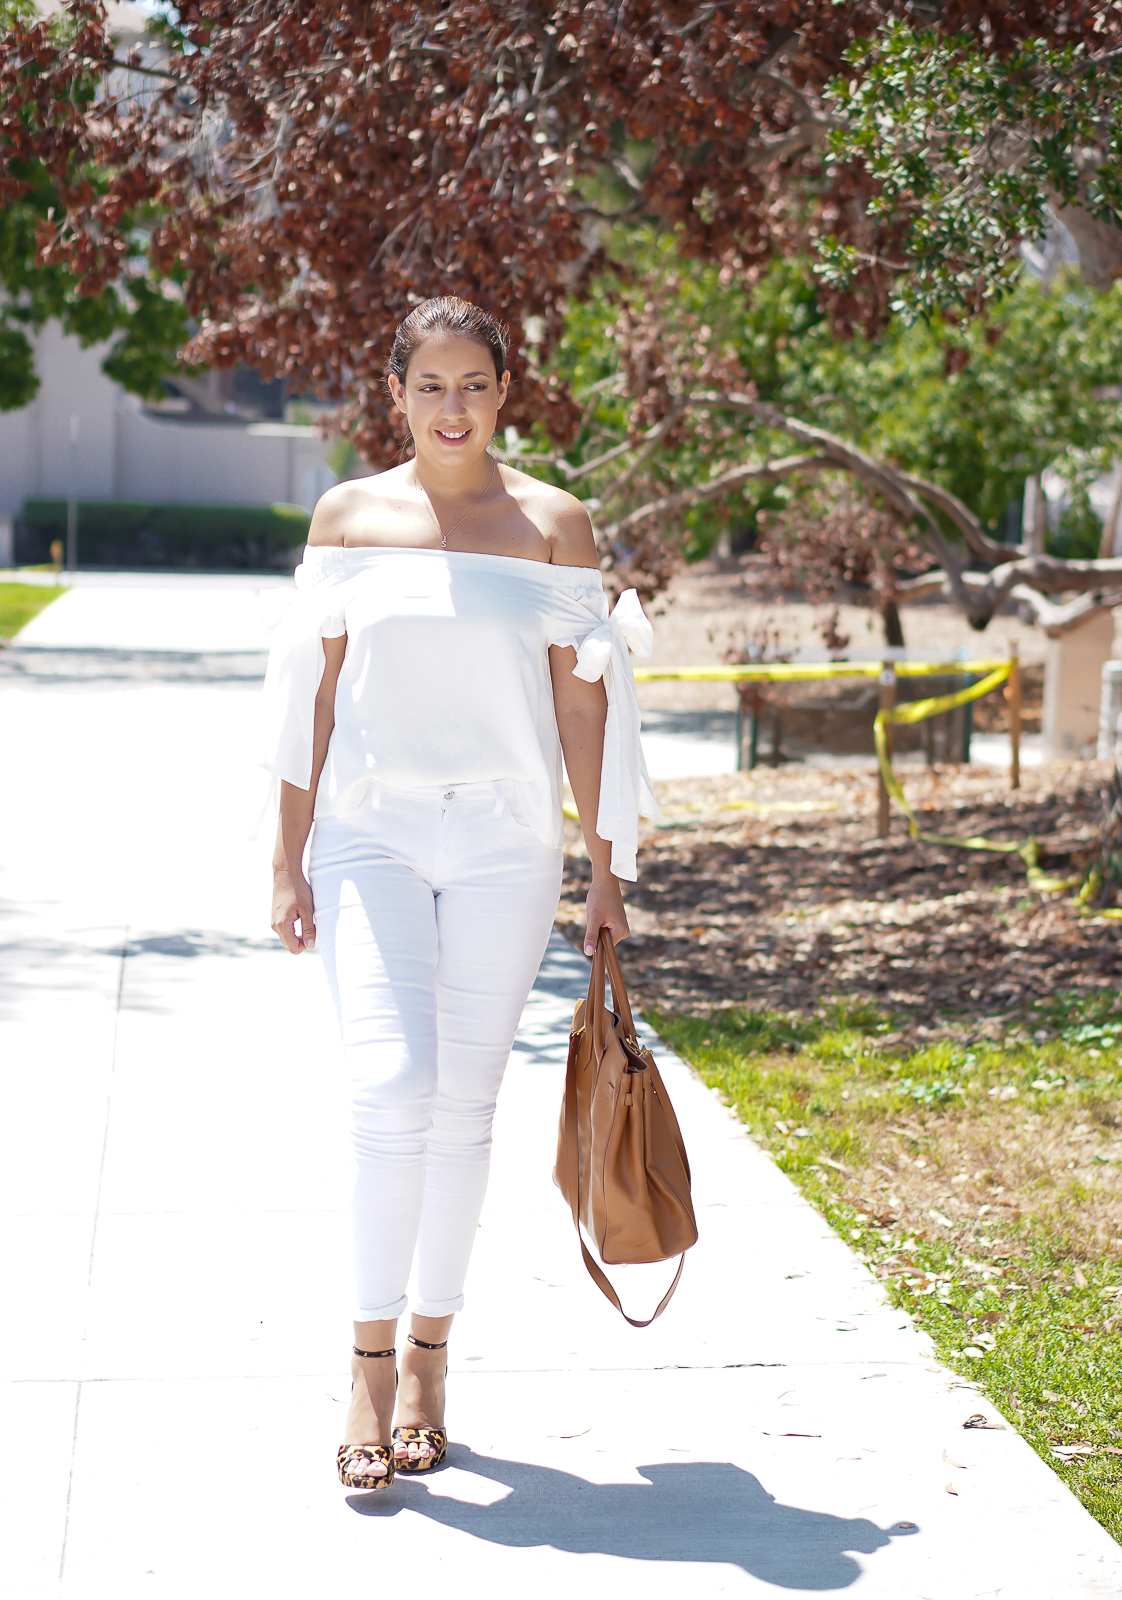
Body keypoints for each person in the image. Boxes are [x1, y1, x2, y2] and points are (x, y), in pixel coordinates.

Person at [262, 296, 660, 1490]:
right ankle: (368, 1363)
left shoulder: (553, 523)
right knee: (395, 1082)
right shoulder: (350, 516)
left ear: (505, 390)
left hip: (505, 844)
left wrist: (606, 870)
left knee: (465, 1108)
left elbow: (584, 703)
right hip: (368, 834)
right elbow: (309, 699)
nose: (453, 407)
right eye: (429, 384)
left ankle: (434, 1352)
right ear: (396, 392)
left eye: (474, 383)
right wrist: (286, 855)